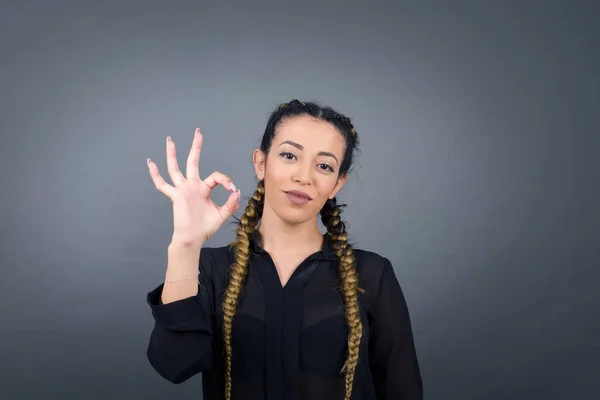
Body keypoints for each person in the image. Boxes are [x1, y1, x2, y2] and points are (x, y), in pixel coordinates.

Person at [145, 99, 423, 400]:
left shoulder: (372, 275)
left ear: (337, 184)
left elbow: (402, 390)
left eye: (324, 165)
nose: (304, 176)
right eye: (290, 155)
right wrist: (185, 244)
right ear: (261, 163)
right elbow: (174, 365)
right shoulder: (211, 269)